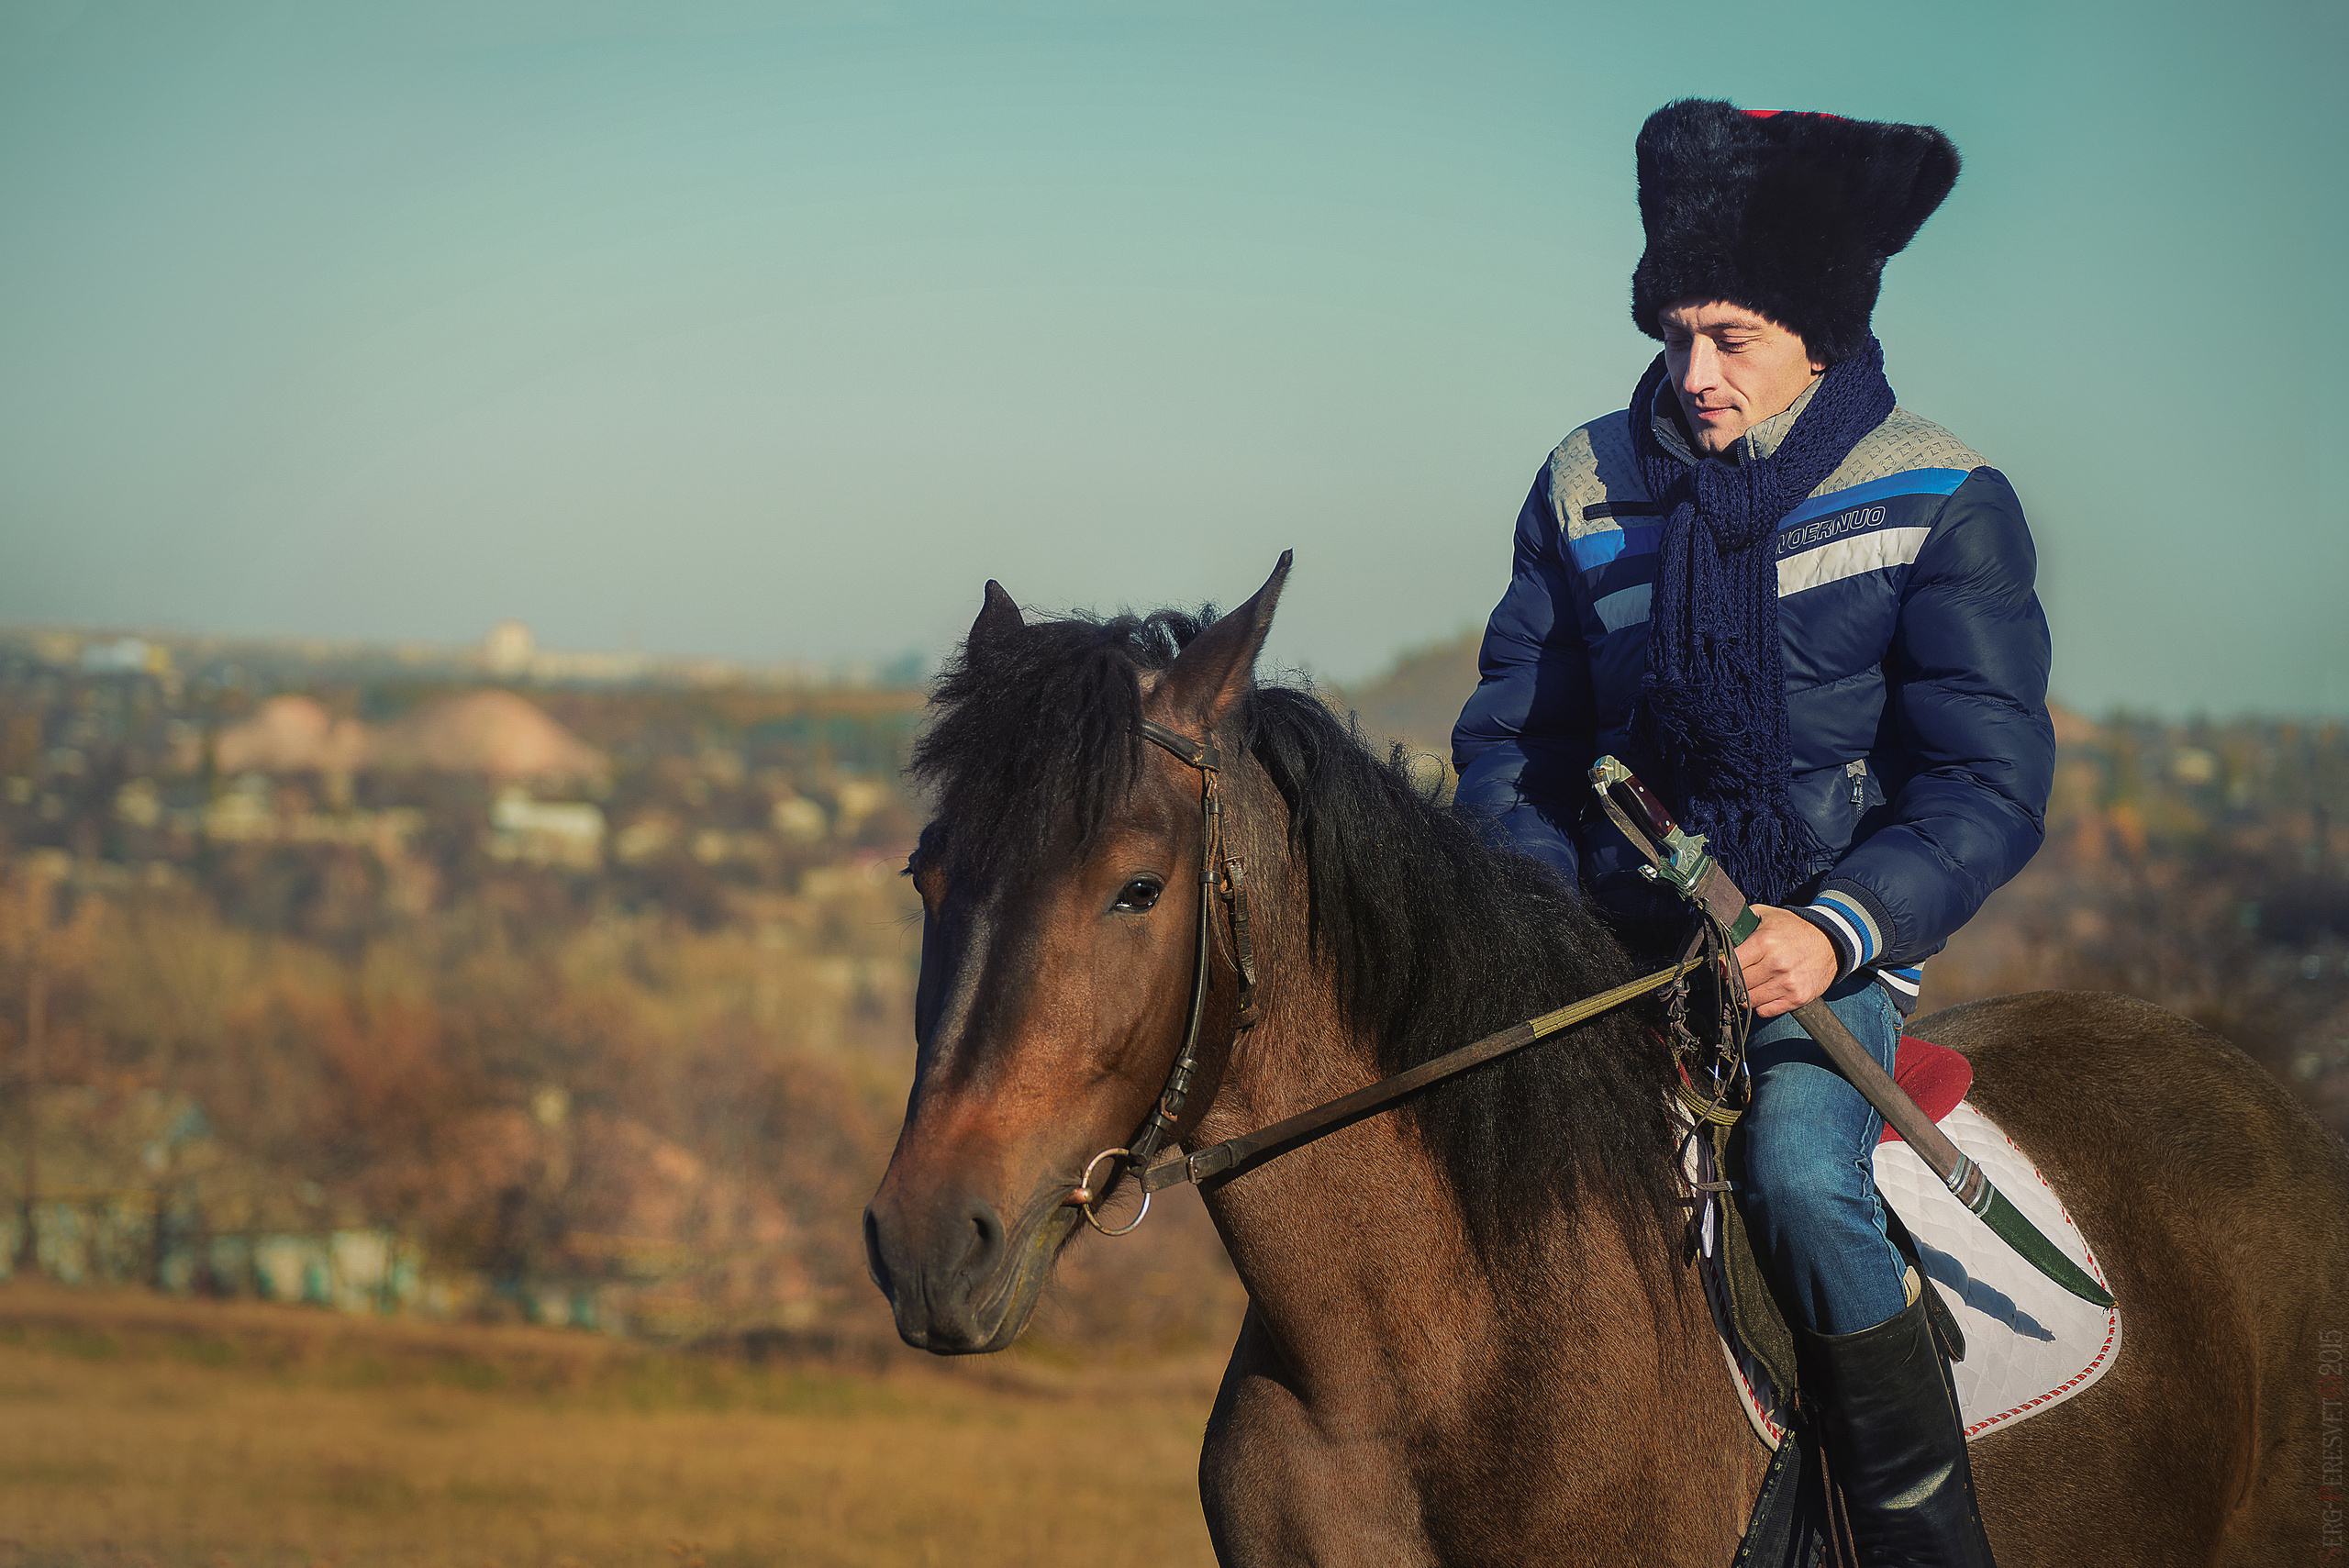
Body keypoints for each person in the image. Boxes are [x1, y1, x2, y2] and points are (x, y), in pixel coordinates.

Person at [1453, 99, 2053, 1567]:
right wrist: (1539, 922)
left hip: (1827, 948)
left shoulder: (1945, 496)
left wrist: (1830, 926)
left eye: (1730, 336)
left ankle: (1921, 1540)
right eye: (1674, 335)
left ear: (1823, 329)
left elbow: (1984, 785)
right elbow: (1510, 746)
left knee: (1795, 1173)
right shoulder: (1583, 481)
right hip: (1600, 945)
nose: (1693, 373)